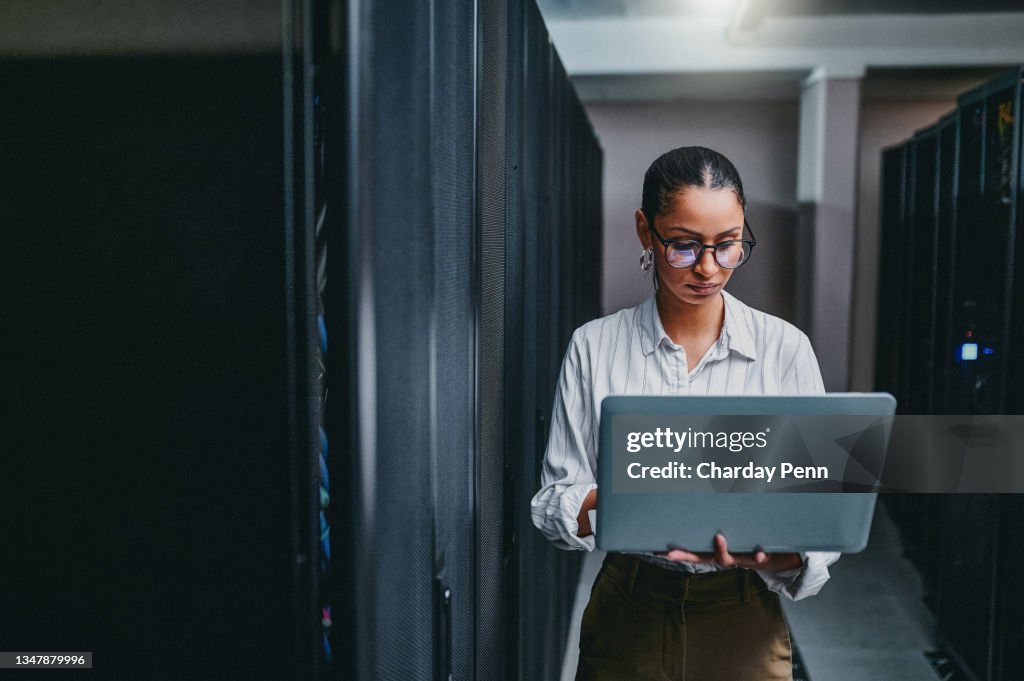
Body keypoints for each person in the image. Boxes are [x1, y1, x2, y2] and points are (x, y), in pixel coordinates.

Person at [530, 146, 840, 681]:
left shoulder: (784, 349)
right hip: (630, 604)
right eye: (684, 245)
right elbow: (553, 503)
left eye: (728, 246)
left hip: (743, 609)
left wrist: (771, 556)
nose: (708, 267)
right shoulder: (594, 347)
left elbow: (820, 521)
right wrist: (627, 496)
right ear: (645, 232)